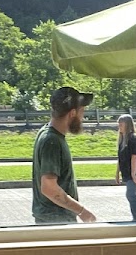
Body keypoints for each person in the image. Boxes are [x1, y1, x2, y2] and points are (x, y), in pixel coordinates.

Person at [31, 86, 97, 225]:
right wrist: (82, 211)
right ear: (72, 113)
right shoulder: (52, 141)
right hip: (55, 223)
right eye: (82, 111)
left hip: (52, 221)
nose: (83, 117)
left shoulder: (47, 134)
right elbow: (49, 188)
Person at [115, 113, 136, 221]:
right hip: (128, 172)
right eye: (119, 123)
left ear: (127, 124)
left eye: (121, 123)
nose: (119, 126)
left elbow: (135, 157)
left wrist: (134, 175)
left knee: (130, 194)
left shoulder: (134, 138)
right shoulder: (122, 139)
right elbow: (120, 158)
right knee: (131, 195)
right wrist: (117, 173)